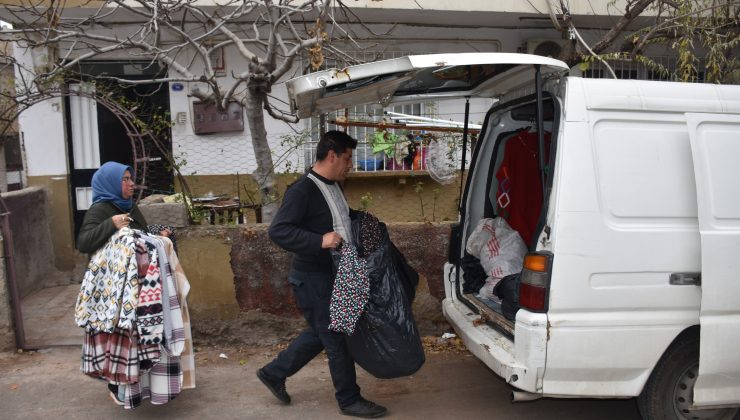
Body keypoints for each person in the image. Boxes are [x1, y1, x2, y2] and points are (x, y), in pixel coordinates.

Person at [258, 131, 388, 418]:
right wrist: (319, 240)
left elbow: (338, 219)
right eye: (347, 158)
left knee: (323, 332)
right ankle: (349, 399)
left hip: (335, 275)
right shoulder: (302, 190)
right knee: (336, 336)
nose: (350, 164)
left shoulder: (333, 186)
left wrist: (360, 220)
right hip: (313, 279)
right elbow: (279, 230)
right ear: (332, 155)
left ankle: (273, 372)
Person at [77, 161, 169, 254]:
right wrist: (112, 223)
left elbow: (141, 232)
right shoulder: (98, 209)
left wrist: (157, 237)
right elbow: (83, 244)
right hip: (112, 267)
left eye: (130, 178)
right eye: (125, 179)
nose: (132, 183)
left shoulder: (129, 205)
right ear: (111, 183)